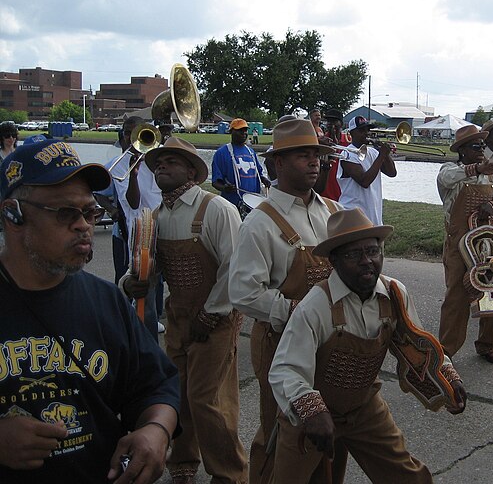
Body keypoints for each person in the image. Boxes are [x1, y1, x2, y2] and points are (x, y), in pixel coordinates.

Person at [0, 139, 180, 482]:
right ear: (13, 215)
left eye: (90, 212)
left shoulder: (107, 301)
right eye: (66, 214)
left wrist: (156, 430)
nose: (83, 226)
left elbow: (156, 385)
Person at [268, 208, 467, 483]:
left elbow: (417, 344)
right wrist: (311, 409)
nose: (367, 262)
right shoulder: (314, 306)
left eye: (373, 252)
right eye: (353, 255)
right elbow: (285, 369)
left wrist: (446, 375)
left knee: (409, 477)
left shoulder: (395, 293)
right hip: (310, 414)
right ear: (334, 261)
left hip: (363, 408)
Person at [121, 137, 248, 483]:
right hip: (177, 317)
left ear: (191, 171)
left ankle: (230, 473)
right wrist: (129, 284)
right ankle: (183, 464)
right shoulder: (154, 218)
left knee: (207, 399)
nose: (161, 166)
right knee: (178, 395)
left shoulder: (218, 209)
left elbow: (234, 269)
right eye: (158, 163)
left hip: (217, 319)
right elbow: (142, 270)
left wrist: (211, 313)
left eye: (171, 162)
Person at [228, 118, 342, 483]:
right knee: (281, 433)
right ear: (278, 163)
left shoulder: (332, 212)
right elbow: (243, 292)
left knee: (330, 432)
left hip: (331, 343)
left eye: (317, 155)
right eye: (302, 156)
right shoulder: (259, 222)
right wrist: (297, 312)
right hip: (280, 343)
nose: (314, 162)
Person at [437, 125, 493, 364]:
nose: (481, 150)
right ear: (463, 150)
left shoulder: (491, 177)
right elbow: (445, 179)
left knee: (492, 290)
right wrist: (477, 168)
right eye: (475, 146)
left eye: (482, 146)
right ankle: (445, 351)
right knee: (456, 296)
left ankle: (489, 345)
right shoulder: (450, 170)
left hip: (487, 243)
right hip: (458, 243)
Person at [102, 116, 164, 338]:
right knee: (141, 291)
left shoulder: (158, 159)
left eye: (137, 132)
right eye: (128, 133)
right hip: (139, 235)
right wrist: (134, 175)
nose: (132, 138)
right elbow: (134, 203)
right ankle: (142, 339)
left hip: (164, 229)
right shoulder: (119, 167)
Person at [338, 116, 397, 226]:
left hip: (373, 216)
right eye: (361, 130)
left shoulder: (372, 152)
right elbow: (364, 181)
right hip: (353, 216)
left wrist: (386, 155)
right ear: (352, 133)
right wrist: (381, 155)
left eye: (367, 130)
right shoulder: (347, 154)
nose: (366, 133)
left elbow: (392, 173)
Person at [212, 118, 269, 219]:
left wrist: (264, 179)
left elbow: (259, 174)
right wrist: (225, 188)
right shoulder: (221, 153)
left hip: (253, 204)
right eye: (239, 130)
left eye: (245, 130)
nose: (244, 133)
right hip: (232, 205)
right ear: (231, 132)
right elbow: (215, 182)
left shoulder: (251, 152)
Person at [318, 109, 347, 201]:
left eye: (334, 121)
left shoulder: (348, 141)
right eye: (328, 121)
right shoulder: (321, 141)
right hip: (324, 192)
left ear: (341, 124)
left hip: (344, 193)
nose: (330, 124)